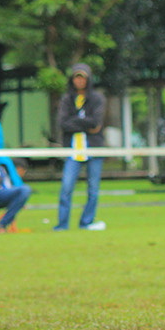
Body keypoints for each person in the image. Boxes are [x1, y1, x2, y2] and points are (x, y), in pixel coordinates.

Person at [55, 63, 106, 231]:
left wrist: (75, 121)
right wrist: (84, 123)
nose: (79, 81)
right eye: (76, 77)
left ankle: (86, 222)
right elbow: (63, 124)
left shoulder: (97, 99)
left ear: (88, 79)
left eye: (82, 77)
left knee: (93, 190)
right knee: (66, 188)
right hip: (73, 150)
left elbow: (96, 123)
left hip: (93, 148)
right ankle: (62, 225)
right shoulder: (66, 99)